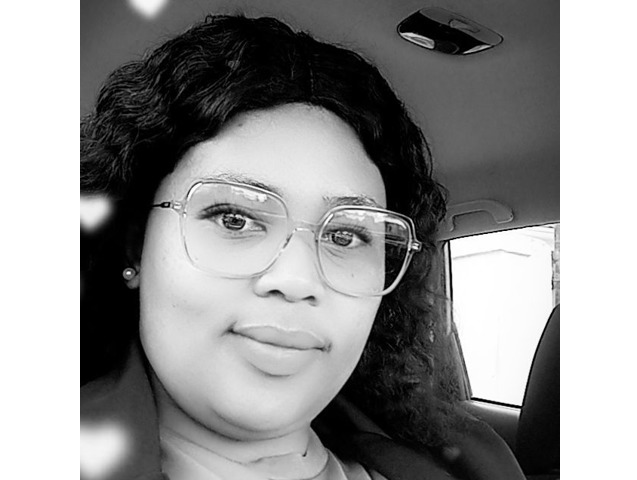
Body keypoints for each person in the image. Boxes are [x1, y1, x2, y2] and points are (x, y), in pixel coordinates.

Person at [81, 14, 525, 480]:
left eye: (345, 235)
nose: (296, 280)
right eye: (235, 218)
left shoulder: (475, 462)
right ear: (135, 247)